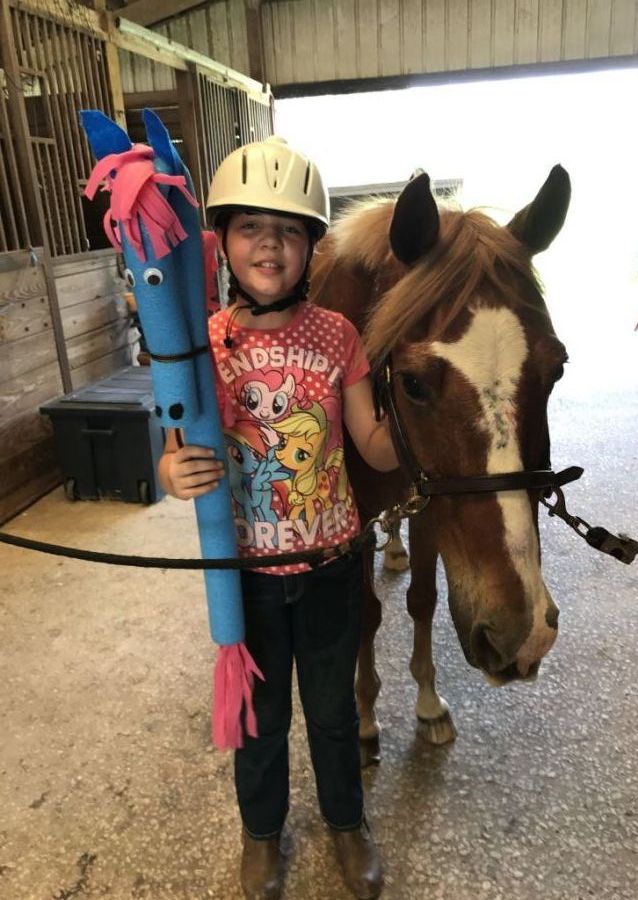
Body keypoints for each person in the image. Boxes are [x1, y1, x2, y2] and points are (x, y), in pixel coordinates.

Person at [157, 136, 398, 900]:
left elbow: (370, 442)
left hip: (330, 567)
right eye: (251, 226)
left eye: (290, 229)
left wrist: (423, 431)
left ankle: (345, 823)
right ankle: (261, 836)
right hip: (245, 580)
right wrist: (169, 473)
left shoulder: (337, 336)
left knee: (330, 712)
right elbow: (172, 445)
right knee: (258, 723)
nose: (271, 243)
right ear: (222, 241)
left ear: (310, 248)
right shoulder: (201, 345)